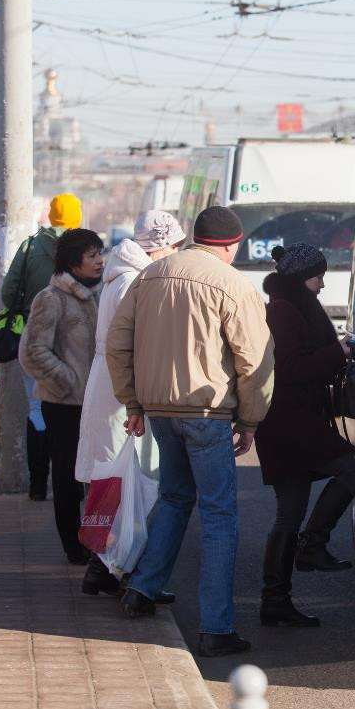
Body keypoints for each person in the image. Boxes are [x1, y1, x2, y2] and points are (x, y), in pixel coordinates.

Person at [106, 205, 273, 658]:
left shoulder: (150, 276)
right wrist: (251, 419)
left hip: (159, 412)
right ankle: (215, 628)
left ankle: (141, 589)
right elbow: (254, 361)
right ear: (231, 244)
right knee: (219, 515)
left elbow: (117, 343)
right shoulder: (233, 284)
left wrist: (134, 402)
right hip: (207, 413)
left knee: (176, 498)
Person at [76, 210, 185, 598]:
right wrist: (137, 401)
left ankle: (107, 570)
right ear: (159, 248)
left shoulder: (122, 276)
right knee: (128, 484)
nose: (176, 255)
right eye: (173, 247)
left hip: (112, 386)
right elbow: (134, 346)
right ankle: (114, 569)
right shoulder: (134, 282)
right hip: (123, 391)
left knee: (117, 482)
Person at [256, 244, 355, 630]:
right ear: (301, 279)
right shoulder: (283, 312)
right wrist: (337, 351)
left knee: (288, 515)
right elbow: (290, 367)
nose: (322, 284)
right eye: (317, 276)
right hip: (290, 422)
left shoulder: (287, 306)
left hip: (288, 422)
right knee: (352, 468)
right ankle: (313, 544)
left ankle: (276, 600)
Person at [19, 229, 104, 565]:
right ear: (73, 262)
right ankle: (74, 545)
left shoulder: (100, 294)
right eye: (92, 255)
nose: (99, 261)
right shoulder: (51, 298)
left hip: (95, 403)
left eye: (100, 253)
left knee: (97, 475)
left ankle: (97, 540)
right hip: (64, 403)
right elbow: (32, 352)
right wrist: (68, 381)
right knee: (67, 477)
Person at [4, 192, 83, 500]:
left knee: (37, 408)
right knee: (74, 411)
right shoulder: (85, 248)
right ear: (77, 216)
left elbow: (10, 293)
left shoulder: (30, 246)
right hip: (75, 343)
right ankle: (74, 484)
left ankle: (38, 485)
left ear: (51, 216)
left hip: (34, 338)